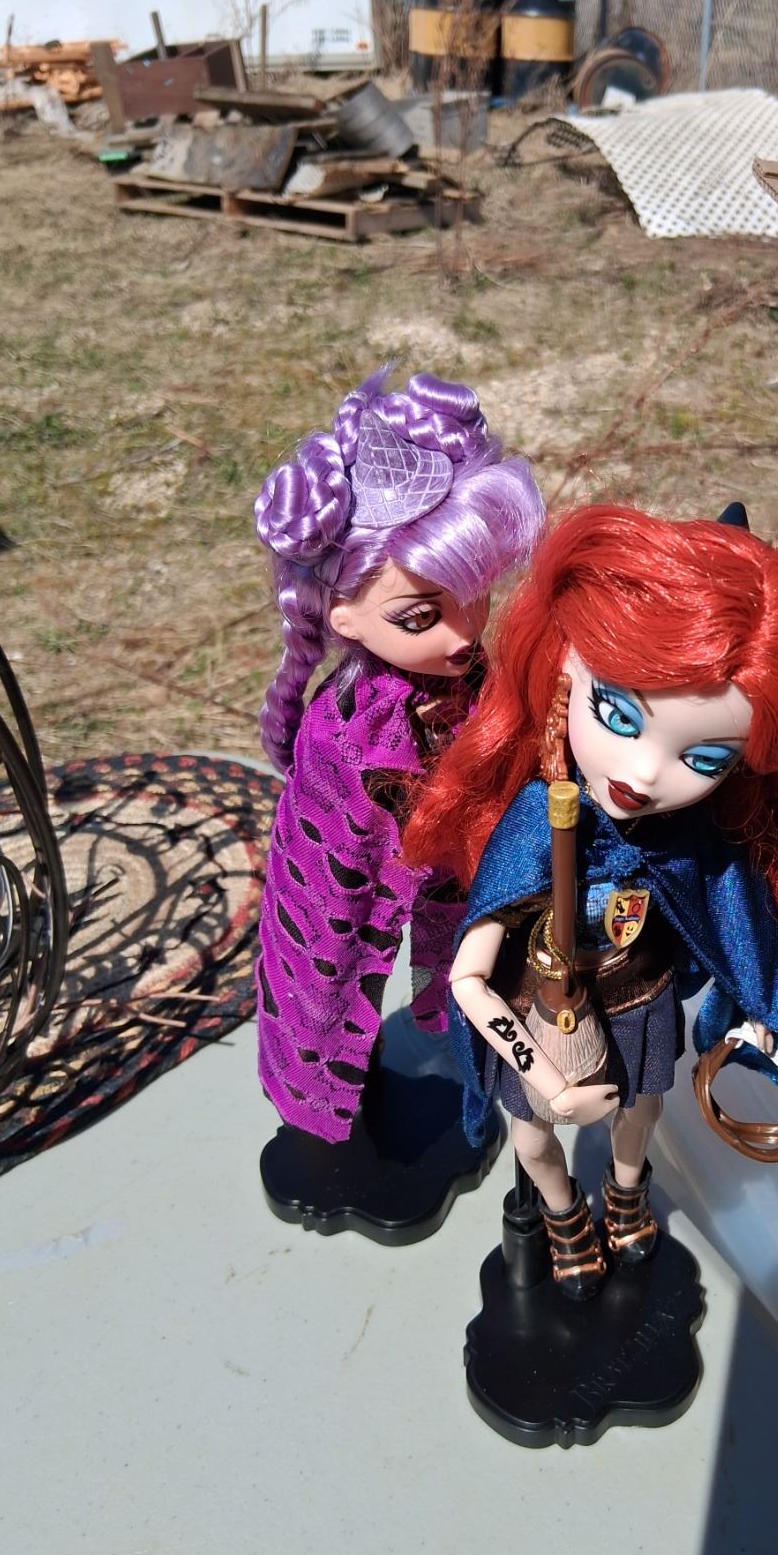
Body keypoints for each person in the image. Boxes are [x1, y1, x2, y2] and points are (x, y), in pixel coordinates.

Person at [402, 503, 778, 1297]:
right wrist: (543, 1076)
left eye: (705, 756)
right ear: (564, 676)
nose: (644, 774)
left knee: (640, 1115)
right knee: (533, 1138)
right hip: (535, 1011)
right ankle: (562, 1216)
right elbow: (469, 979)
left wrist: (752, 1010)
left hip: (640, 1001)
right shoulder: (535, 827)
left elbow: (733, 928)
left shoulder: (695, 845)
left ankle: (625, 1194)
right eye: (616, 715)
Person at [254, 365, 543, 1157]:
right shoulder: (343, 730)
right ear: (341, 615)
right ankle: (330, 1111)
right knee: (328, 971)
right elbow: (333, 871)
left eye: (476, 596)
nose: (462, 633)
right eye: (419, 617)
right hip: (355, 887)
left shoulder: (472, 676)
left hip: (462, 874)